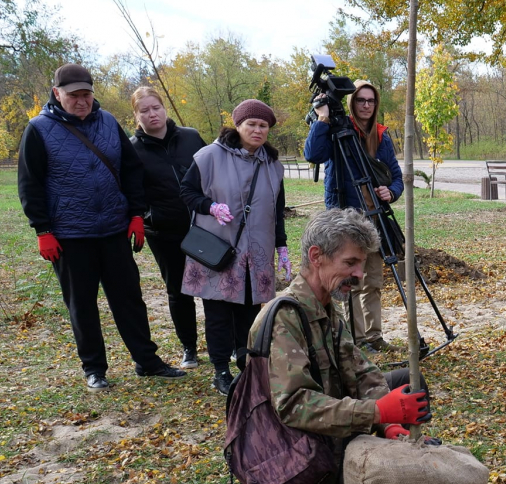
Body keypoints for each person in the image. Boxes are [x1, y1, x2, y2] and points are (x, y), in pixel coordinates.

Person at [253, 207, 432, 484]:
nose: (360, 274)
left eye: (362, 264)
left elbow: (360, 369)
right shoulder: (283, 317)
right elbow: (294, 405)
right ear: (317, 256)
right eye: (351, 263)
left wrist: (388, 421)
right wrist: (377, 412)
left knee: (409, 381)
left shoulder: (325, 307)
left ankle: (370, 459)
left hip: (331, 438)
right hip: (297, 457)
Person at [17, 63, 186, 391]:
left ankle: (146, 360)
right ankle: (94, 368)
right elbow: (30, 184)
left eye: (86, 94)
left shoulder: (108, 122)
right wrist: (43, 230)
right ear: (57, 94)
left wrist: (136, 214)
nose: (81, 101)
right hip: (69, 236)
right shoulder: (38, 129)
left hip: (113, 229)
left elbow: (131, 169)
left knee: (129, 298)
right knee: (81, 304)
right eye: (73, 95)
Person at [180, 99, 289, 395]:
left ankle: (248, 367)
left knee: (251, 315)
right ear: (237, 125)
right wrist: (210, 206)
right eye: (250, 124)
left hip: (257, 252)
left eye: (263, 125)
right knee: (218, 313)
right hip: (219, 250)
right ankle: (220, 371)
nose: (257, 130)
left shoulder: (274, 166)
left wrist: (281, 247)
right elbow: (186, 191)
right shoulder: (208, 156)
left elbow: (277, 209)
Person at [304, 80, 405, 354]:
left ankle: (374, 336)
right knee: (350, 281)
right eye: (361, 100)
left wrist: (391, 192)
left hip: (374, 217)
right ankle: (356, 339)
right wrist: (322, 119)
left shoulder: (381, 136)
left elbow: (397, 178)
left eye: (371, 101)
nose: (366, 105)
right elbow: (312, 154)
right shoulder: (339, 130)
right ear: (351, 102)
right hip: (345, 218)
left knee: (372, 280)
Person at [129, 86, 207, 369]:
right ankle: (189, 347)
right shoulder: (132, 149)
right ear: (136, 116)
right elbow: (131, 190)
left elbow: (211, 171)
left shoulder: (191, 137)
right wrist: (146, 216)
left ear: (165, 109)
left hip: (202, 226)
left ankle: (222, 342)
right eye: (144, 111)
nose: (152, 114)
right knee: (178, 290)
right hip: (164, 231)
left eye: (156, 107)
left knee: (212, 285)